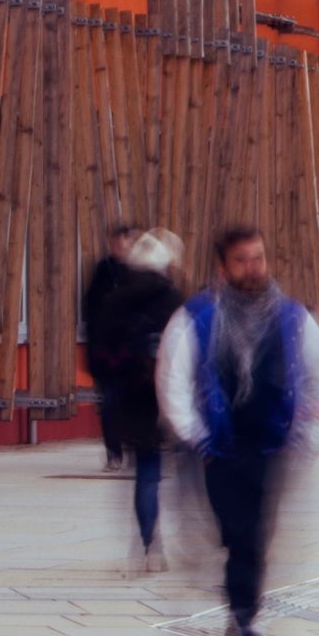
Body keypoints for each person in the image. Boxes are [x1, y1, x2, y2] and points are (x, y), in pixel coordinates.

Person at [157, 225, 319, 636]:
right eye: (242, 260)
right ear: (222, 267)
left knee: (253, 536)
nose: (253, 268)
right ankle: (241, 616)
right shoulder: (196, 318)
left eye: (258, 257)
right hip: (219, 446)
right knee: (234, 533)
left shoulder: (293, 318)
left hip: (271, 445)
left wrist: (307, 439)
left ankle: (243, 623)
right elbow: (173, 378)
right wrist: (195, 434)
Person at [115, 230, 186, 572]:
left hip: (130, 398)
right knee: (170, 473)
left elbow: (101, 354)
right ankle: (172, 542)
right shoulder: (172, 300)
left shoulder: (118, 299)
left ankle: (148, 543)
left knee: (144, 471)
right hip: (166, 395)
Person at [83, 224, 144, 470]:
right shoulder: (102, 271)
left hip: (132, 352)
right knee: (109, 400)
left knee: (130, 401)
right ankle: (114, 451)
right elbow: (89, 309)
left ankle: (132, 446)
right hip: (106, 351)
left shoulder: (138, 272)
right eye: (116, 243)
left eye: (124, 243)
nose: (120, 247)